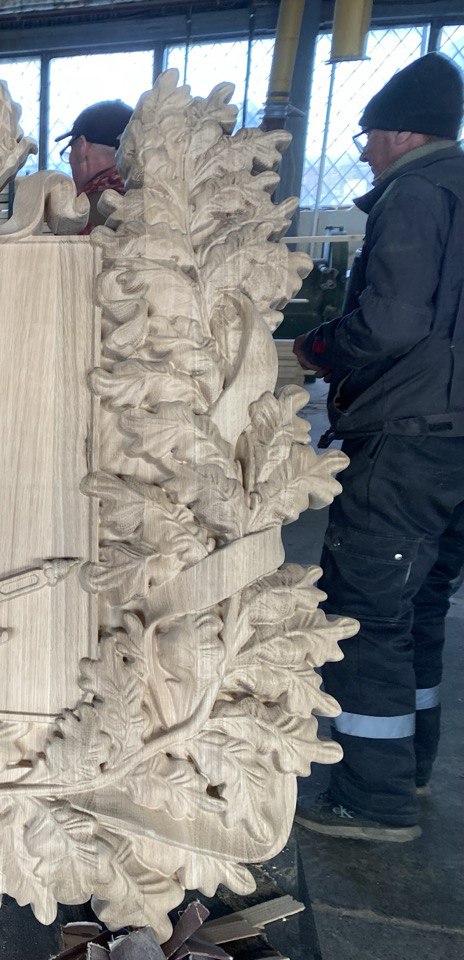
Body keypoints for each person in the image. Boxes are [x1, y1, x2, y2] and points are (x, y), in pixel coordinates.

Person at [292, 52, 464, 842]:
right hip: (452, 440)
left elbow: (391, 322)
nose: (363, 152)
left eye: (367, 136)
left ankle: (372, 798)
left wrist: (319, 347)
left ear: (400, 132)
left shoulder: (416, 194)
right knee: (419, 601)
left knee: (365, 611)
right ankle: (411, 768)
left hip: (409, 437)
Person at [55, 100, 133, 234]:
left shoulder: (79, 215)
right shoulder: (147, 195)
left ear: (81, 147)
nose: (70, 158)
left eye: (71, 148)